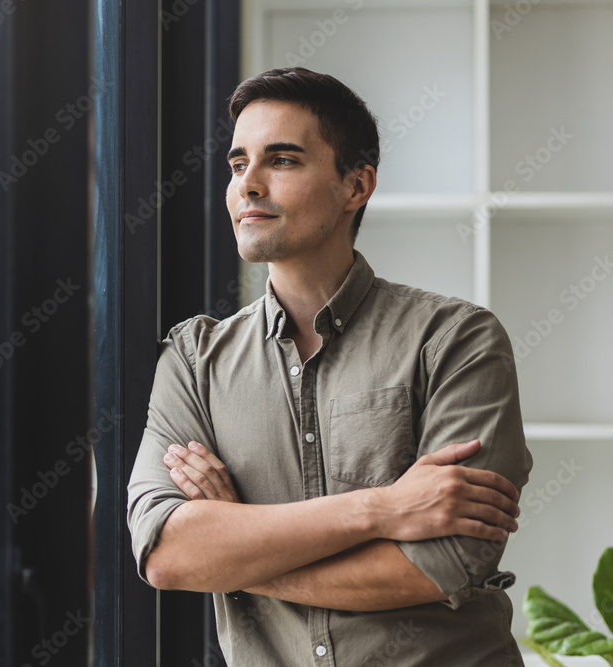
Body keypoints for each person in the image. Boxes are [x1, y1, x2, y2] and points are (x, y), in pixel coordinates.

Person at [126, 67, 533, 666]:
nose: (249, 186)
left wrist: (236, 545)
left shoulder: (455, 339)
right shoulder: (193, 359)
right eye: (239, 164)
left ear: (356, 186)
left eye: (282, 161)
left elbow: (441, 565)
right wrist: (382, 508)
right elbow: (166, 555)